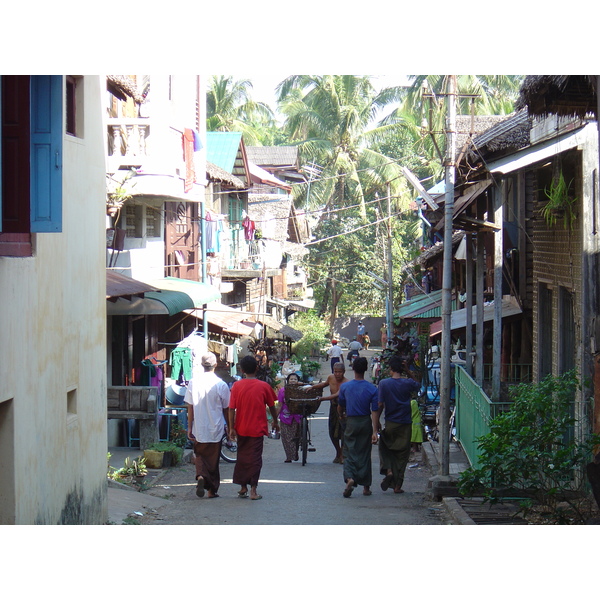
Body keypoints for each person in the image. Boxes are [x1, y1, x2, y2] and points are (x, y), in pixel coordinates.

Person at [229, 355, 279, 500]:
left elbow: (231, 409)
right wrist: (275, 421)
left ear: (242, 370)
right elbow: (272, 406)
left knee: (242, 457)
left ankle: (243, 486)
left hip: (241, 428)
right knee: (255, 459)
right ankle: (253, 491)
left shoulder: (237, 386)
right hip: (257, 429)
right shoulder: (264, 386)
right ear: (257, 368)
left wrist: (231, 427)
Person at [184, 352, 231, 499]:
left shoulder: (193, 382)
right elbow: (226, 408)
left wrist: (190, 427)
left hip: (199, 427)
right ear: (215, 365)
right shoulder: (221, 385)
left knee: (200, 455)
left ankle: (200, 477)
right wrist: (230, 427)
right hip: (215, 427)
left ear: (202, 365)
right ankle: (211, 491)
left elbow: (190, 407)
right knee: (213, 460)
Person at [372, 355, 421, 494]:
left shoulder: (384, 384)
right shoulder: (407, 383)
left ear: (391, 369)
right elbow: (418, 385)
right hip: (405, 423)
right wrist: (408, 371)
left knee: (386, 448)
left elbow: (380, 404)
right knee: (402, 455)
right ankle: (397, 486)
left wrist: (376, 425)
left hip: (390, 422)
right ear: (402, 368)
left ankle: (388, 470)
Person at [337, 356, 378, 497]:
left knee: (349, 452)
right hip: (365, 421)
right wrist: (375, 430)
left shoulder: (345, 387)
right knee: (365, 453)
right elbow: (375, 411)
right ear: (366, 369)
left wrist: (341, 415)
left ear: (353, 368)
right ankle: (366, 488)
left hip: (351, 421)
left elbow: (340, 406)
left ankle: (350, 478)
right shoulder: (372, 388)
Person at [308, 362, 349, 463]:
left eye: (339, 372)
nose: (337, 374)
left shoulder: (346, 383)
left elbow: (336, 395)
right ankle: (338, 452)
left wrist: (322, 398)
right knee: (332, 431)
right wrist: (312, 387)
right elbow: (325, 384)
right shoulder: (331, 378)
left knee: (344, 432)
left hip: (344, 409)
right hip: (333, 407)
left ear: (343, 372)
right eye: (335, 372)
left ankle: (343, 454)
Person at [277, 373, 302, 463]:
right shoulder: (282, 391)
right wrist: (275, 418)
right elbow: (280, 404)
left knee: (295, 437)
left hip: (297, 417)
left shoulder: (301, 391)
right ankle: (289, 456)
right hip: (285, 416)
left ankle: (294, 454)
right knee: (286, 437)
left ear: (298, 381)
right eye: (291, 379)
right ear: (287, 381)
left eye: (295, 379)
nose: (293, 381)